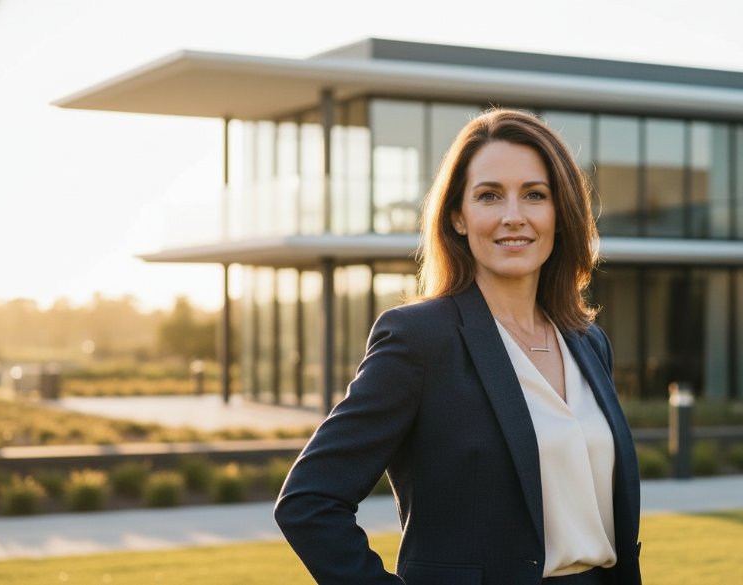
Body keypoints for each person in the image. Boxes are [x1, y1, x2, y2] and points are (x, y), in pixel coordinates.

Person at [275, 108, 642, 585]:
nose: (514, 217)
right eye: (489, 196)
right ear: (458, 218)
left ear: (560, 213)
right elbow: (309, 501)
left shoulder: (588, 342)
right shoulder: (420, 339)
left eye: (535, 195)